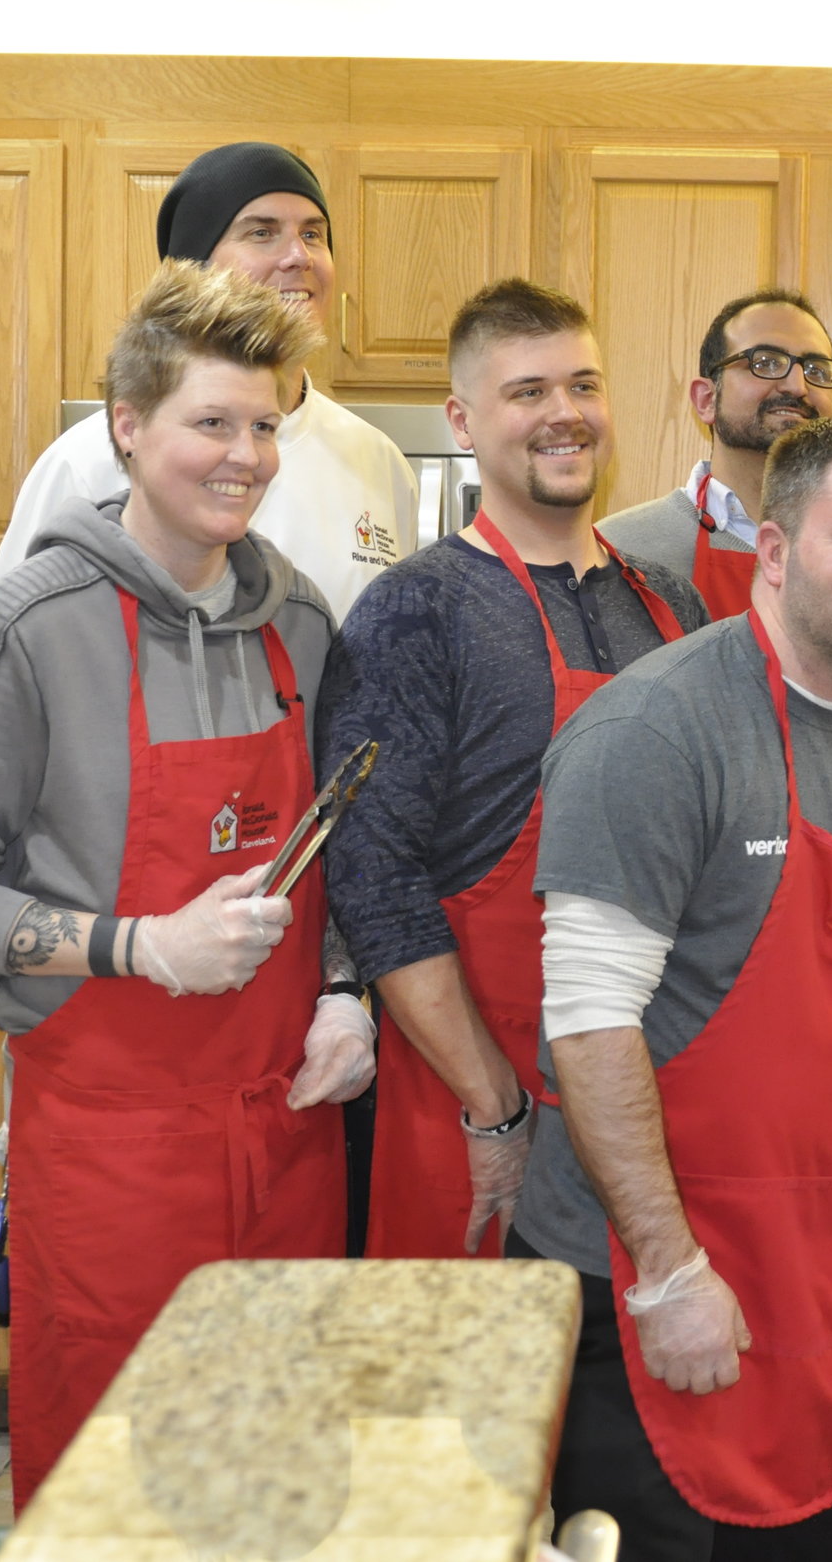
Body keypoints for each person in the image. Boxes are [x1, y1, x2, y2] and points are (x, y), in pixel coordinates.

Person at [0, 262, 368, 1506]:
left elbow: (341, 844)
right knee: (119, 1494)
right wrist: (138, 945)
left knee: (276, 1485)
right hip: (110, 1155)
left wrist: (350, 990)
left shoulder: (297, 622)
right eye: (212, 422)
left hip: (285, 1135)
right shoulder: (27, 627)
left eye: (263, 426)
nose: (245, 455)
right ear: (129, 429)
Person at [509, 414, 832, 1559]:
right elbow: (589, 1018)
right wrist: (668, 1276)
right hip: (646, 1277)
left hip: (823, 1271)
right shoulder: (659, 731)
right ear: (770, 550)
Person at [317, 280, 702, 1261]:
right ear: (463, 419)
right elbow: (374, 879)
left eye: (583, 384)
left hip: (659, 1101)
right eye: (527, 391)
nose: (564, 414)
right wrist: (495, 1106)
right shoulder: (413, 614)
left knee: (630, 1402)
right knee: (460, 1405)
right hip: (477, 1097)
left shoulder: (667, 606)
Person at [0, 142, 418, 620]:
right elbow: (11, 641)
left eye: (314, 234)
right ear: (193, 269)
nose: (299, 256)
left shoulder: (377, 462)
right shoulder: (88, 460)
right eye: (262, 232)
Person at [598, 287, 832, 620]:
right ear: (706, 400)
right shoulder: (617, 551)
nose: (797, 387)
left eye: (815, 370)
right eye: (767, 363)